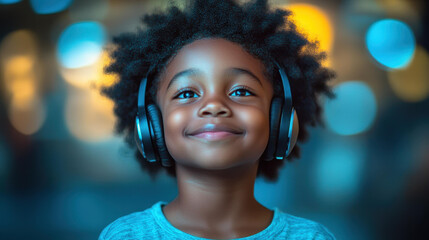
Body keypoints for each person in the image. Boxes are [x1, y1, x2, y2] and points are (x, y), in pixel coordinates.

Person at [99, 0, 336, 239]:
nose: (214, 106)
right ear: (152, 125)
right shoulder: (126, 235)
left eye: (241, 92)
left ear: (279, 121)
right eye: (187, 94)